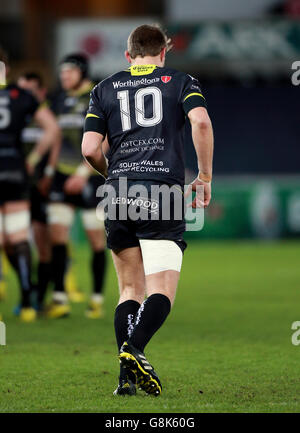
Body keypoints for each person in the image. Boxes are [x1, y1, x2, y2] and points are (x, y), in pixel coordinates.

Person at [82, 24, 214, 396]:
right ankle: (133, 350)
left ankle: (125, 379)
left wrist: (116, 176)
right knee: (161, 289)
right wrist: (204, 176)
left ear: (129, 55)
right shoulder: (181, 80)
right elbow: (200, 121)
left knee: (128, 289)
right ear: (163, 53)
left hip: (118, 192)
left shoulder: (104, 87)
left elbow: (90, 149)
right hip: (163, 192)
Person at [0, 47, 61, 322]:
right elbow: (52, 128)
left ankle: (27, 293)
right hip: (14, 168)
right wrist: (34, 157)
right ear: (7, 68)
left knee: (5, 241)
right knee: (18, 236)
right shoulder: (21, 96)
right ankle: (27, 300)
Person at [46, 54, 107, 319]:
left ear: (82, 72)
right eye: (62, 73)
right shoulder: (59, 100)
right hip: (61, 175)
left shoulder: (98, 96)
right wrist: (50, 169)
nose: (64, 77)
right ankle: (59, 298)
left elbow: (106, 139)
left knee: (96, 240)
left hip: (91, 178)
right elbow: (55, 136)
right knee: (57, 237)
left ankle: (96, 299)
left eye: (69, 72)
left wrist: (83, 172)